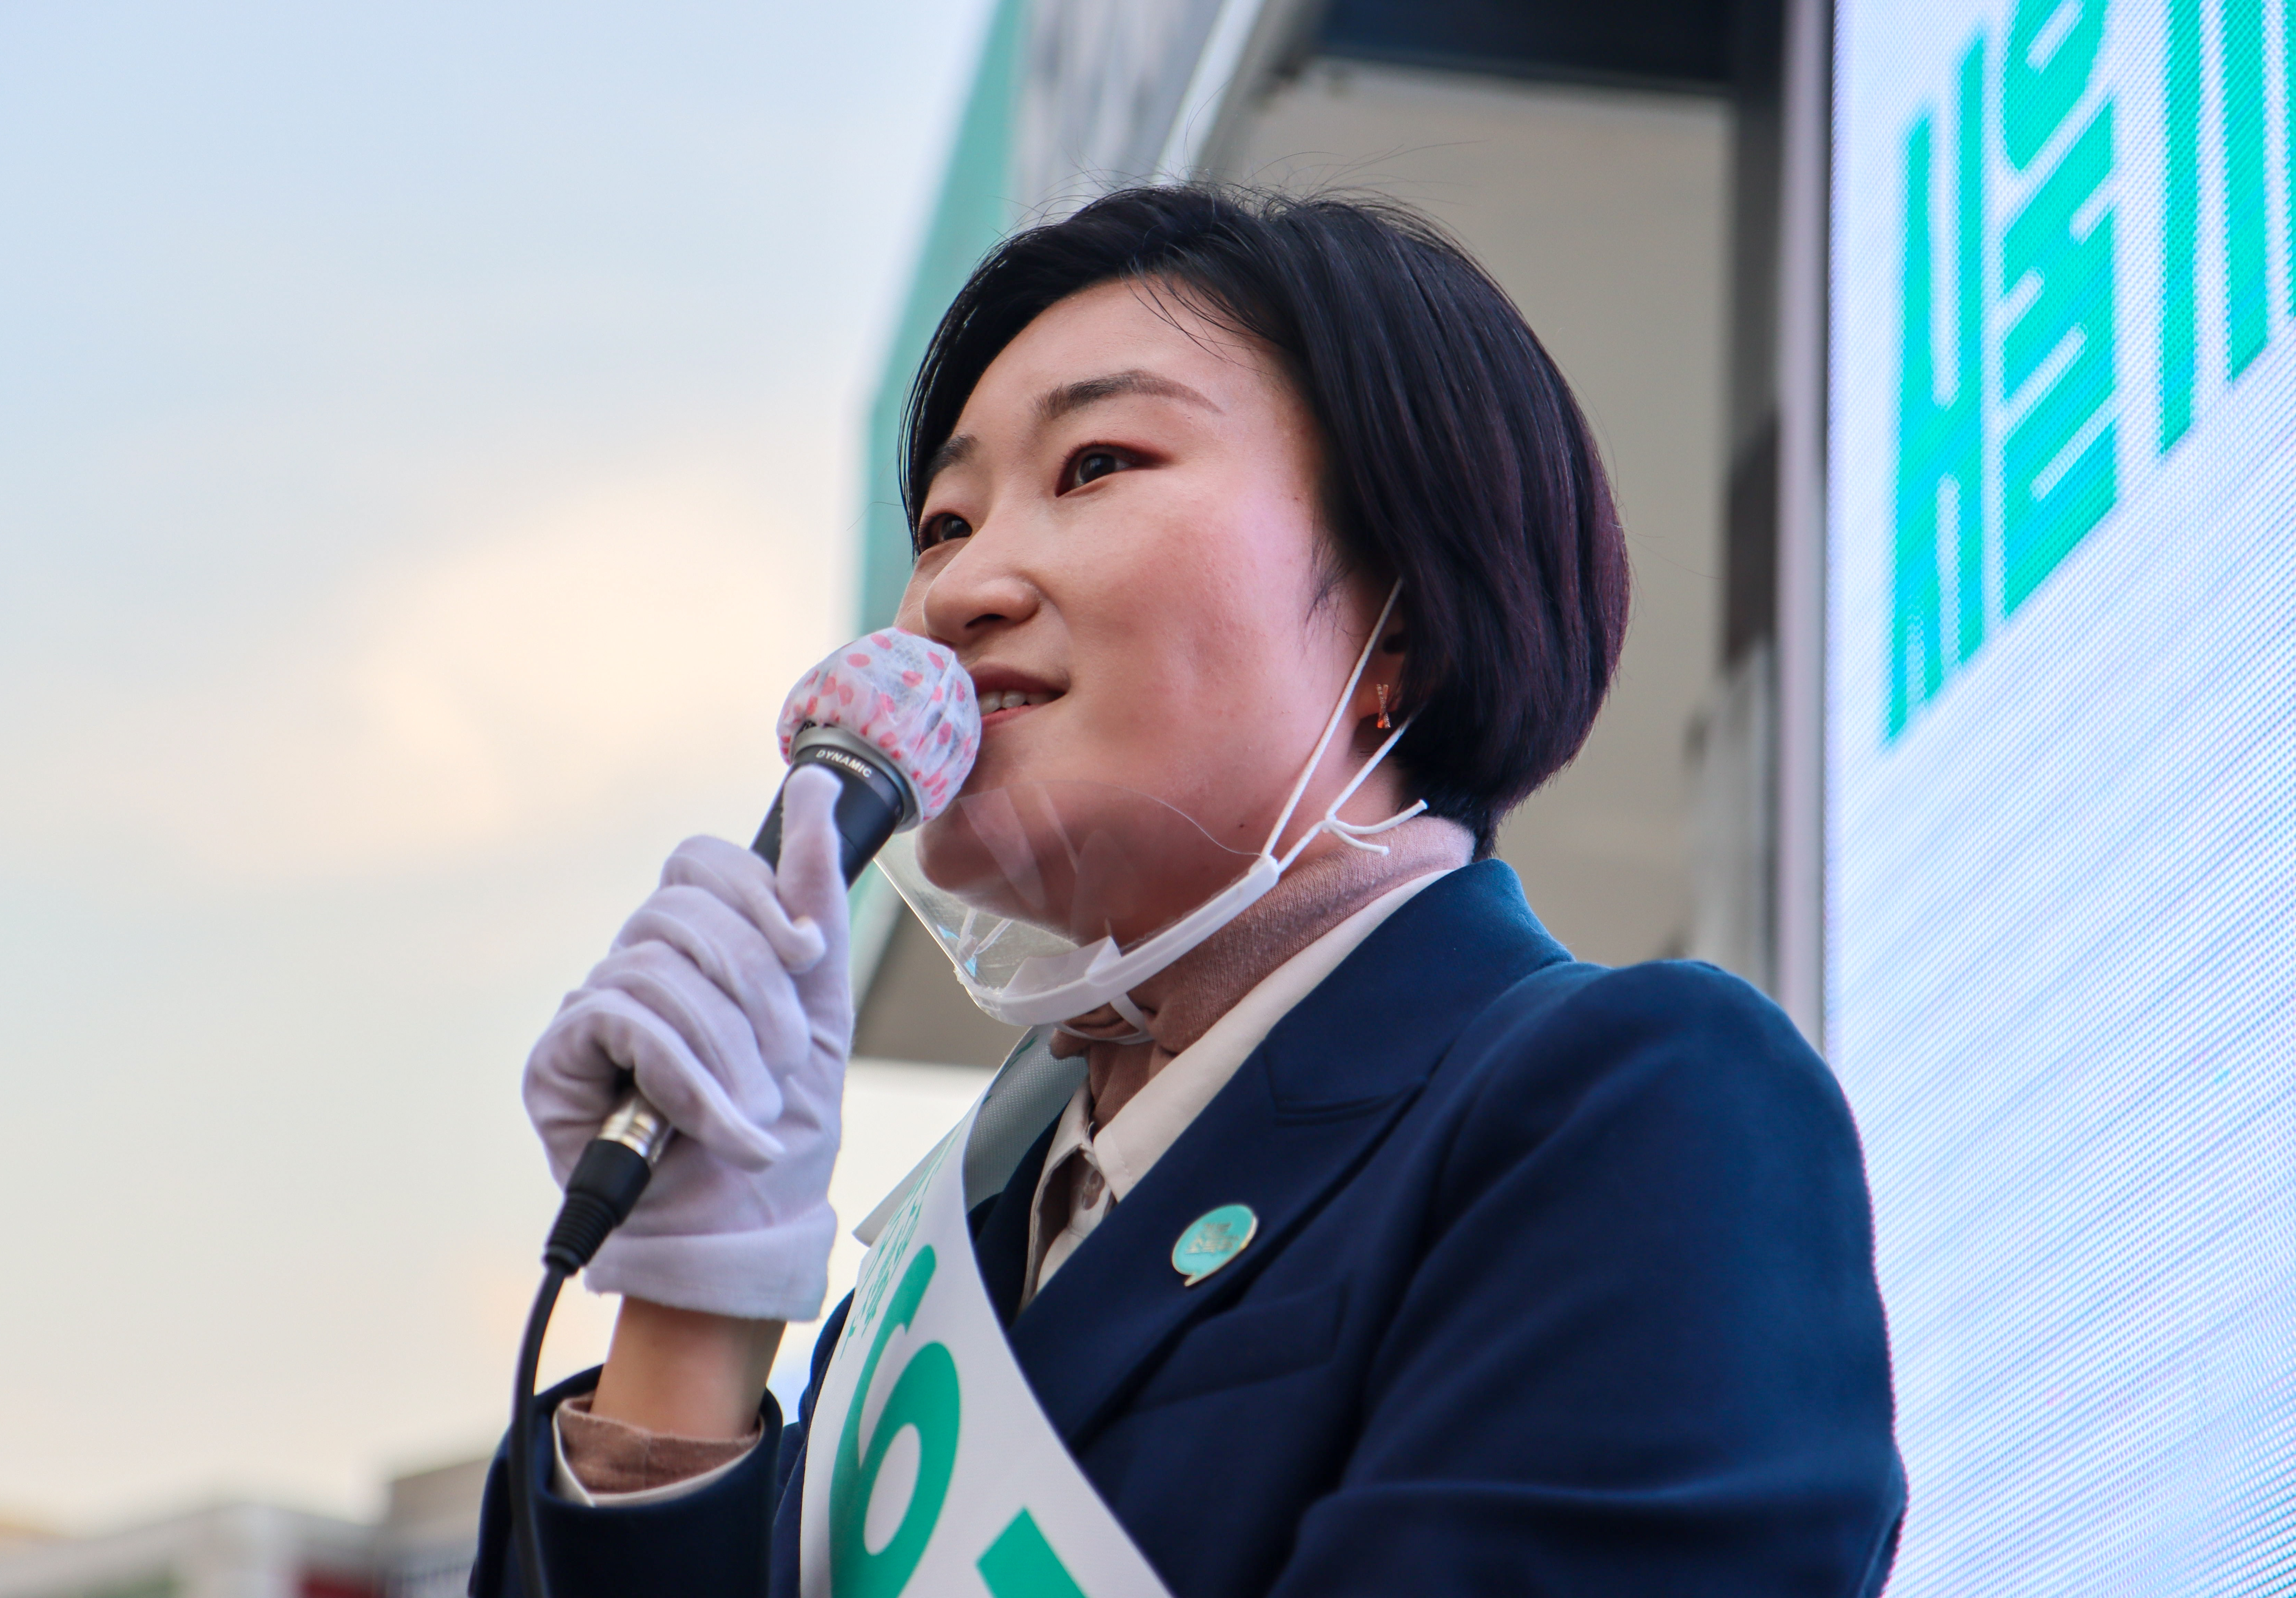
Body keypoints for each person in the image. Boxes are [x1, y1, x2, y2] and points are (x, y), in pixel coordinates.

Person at [471, 185, 1906, 1597]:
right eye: (945, 523)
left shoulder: (1637, 1107)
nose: (956, 594)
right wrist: (694, 1318)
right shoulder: (923, 1293)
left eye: (1095, 464)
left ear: (1400, 609)